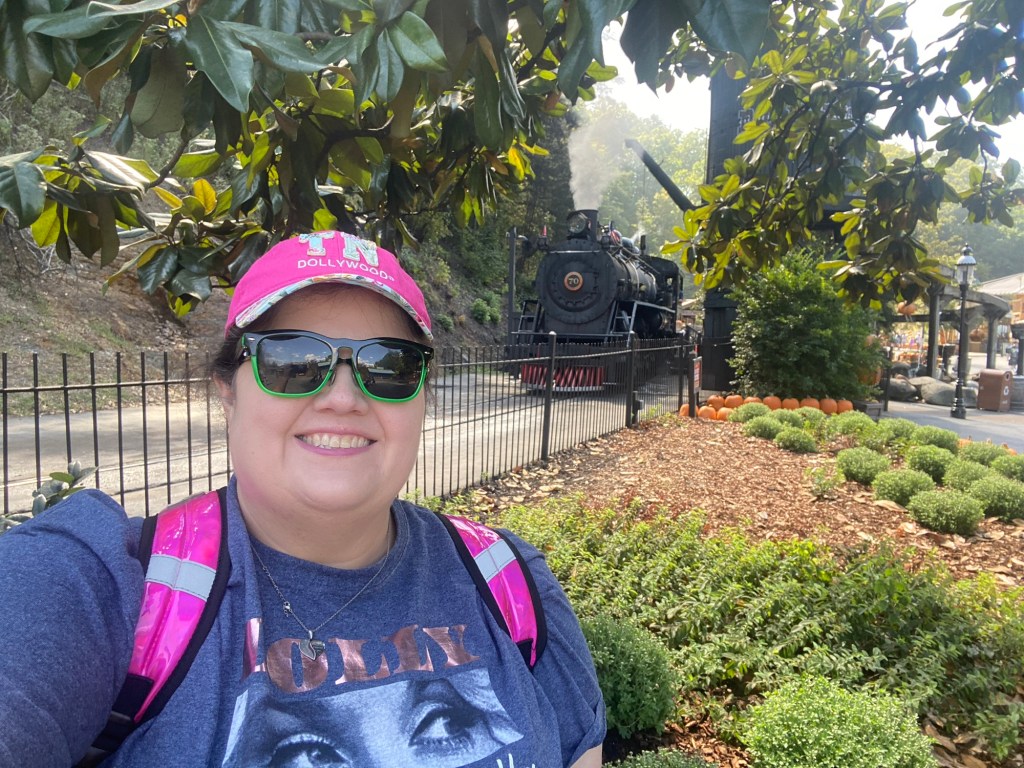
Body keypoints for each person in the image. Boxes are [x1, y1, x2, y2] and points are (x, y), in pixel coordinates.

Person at [0, 231, 606, 767]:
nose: (343, 397)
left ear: (422, 395)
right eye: (292, 359)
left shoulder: (509, 582)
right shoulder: (108, 585)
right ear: (227, 391)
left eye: (389, 365)